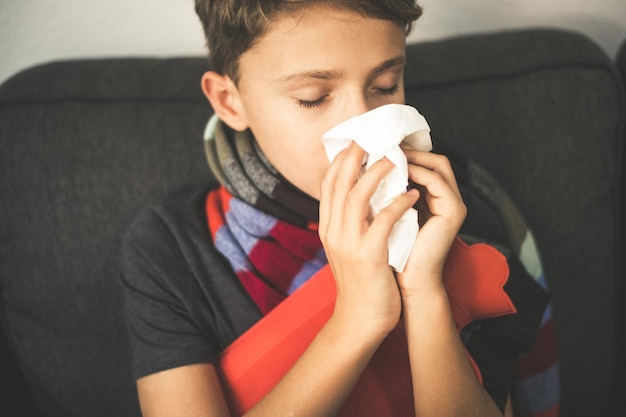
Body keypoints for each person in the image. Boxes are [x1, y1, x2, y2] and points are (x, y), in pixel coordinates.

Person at [119, 1, 553, 416]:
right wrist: (358, 318)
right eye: (313, 97)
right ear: (230, 101)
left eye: (385, 86)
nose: (364, 129)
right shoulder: (170, 250)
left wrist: (425, 293)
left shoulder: (451, 209)